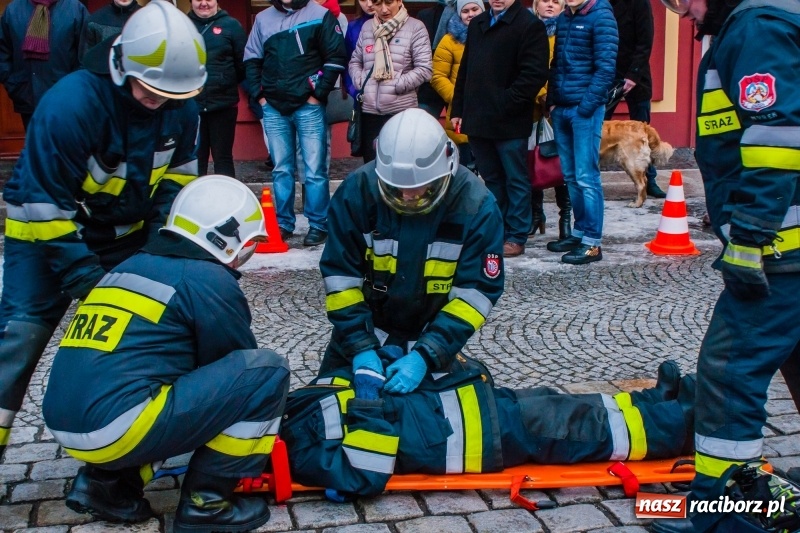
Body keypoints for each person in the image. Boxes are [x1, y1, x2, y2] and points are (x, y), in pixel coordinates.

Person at [0, 1, 206, 462]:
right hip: (42, 239)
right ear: (122, 66)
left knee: (151, 334)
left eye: (169, 93)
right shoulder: (70, 105)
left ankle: (120, 464)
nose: (157, 100)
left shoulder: (181, 106)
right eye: (149, 88)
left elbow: (177, 181)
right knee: (18, 343)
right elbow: (43, 203)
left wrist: (159, 247)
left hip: (126, 237)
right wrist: (84, 279)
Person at [42, 176, 291, 533]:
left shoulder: (126, 267)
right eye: (247, 245)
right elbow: (238, 372)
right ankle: (207, 505)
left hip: (65, 420)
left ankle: (106, 485)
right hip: (117, 425)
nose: (242, 258)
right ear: (225, 237)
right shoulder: (207, 277)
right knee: (267, 372)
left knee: (161, 384)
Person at [651, 0, 800, 531]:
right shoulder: (768, 18)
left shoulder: (756, 28)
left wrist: (751, 237)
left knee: (728, 370)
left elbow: (776, 138)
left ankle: (723, 512)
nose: (679, 11)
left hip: (781, 247)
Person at [282, 354, 695, 497]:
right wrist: (368, 396)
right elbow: (365, 471)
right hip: (468, 436)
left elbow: (359, 380)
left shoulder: (298, 404)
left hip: (462, 403)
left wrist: (386, 358)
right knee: (572, 426)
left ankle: (651, 402)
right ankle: (678, 426)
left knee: (557, 401)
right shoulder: (300, 452)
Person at [318, 109, 504, 396]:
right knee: (326, 408)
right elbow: (341, 279)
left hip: (431, 338)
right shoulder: (358, 192)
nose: (407, 197)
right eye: (396, 188)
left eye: (420, 188)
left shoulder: (476, 207)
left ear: (445, 171)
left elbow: (474, 295)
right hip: (363, 332)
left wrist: (426, 355)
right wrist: (361, 347)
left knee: (436, 418)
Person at [451, 0, 550, 258]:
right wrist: (458, 108)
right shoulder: (479, 23)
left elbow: (534, 74)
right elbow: (466, 70)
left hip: (509, 119)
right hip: (478, 116)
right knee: (492, 178)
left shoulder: (529, 25)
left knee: (515, 178)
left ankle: (516, 234)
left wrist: (505, 102)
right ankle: (497, 229)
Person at [244, 0, 347, 247]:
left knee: (314, 169)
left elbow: (335, 57)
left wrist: (318, 95)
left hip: (308, 106)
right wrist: (260, 96)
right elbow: (251, 59)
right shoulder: (262, 19)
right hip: (274, 107)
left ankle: (318, 224)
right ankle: (283, 223)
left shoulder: (320, 15)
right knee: (281, 169)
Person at [544, 0, 617, 265]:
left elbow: (606, 69)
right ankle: (579, 234)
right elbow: (556, 64)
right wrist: (553, 101)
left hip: (584, 109)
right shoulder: (565, 18)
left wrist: (586, 107)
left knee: (587, 177)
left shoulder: (602, 17)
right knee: (571, 177)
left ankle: (592, 243)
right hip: (562, 107)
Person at [348, 0, 432, 164]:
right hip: (369, 112)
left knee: (400, 166)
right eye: (378, 4)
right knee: (372, 166)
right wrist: (361, 82)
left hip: (401, 112)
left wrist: (397, 85)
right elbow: (355, 61)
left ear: (399, 1)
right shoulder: (367, 27)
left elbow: (424, 69)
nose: (384, 9)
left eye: (389, 2)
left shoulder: (415, 27)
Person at [603, 0, 666, 200]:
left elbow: (645, 42)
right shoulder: (602, 3)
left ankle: (650, 181)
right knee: (597, 127)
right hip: (607, 75)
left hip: (637, 77)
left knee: (642, 131)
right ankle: (589, 178)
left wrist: (633, 75)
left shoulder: (640, 3)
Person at [0, 0, 87, 131]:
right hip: (27, 99)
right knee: (35, 144)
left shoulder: (76, 10)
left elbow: (86, 57)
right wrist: (14, 86)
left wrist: (73, 91)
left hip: (66, 102)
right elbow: (2, 53)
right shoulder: (13, 11)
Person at [189, 0, 247, 179]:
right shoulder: (182, 25)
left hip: (223, 104)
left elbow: (242, 65)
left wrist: (223, 81)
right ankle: (195, 197)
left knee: (223, 158)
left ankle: (226, 196)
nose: (204, 3)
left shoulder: (232, 26)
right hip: (191, 106)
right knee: (195, 159)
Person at [529, 0, 572, 241]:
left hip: (560, 108)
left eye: (556, 1)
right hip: (533, 109)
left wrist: (553, 98)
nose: (550, 5)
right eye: (545, 0)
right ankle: (536, 215)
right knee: (533, 164)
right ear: (536, 5)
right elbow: (526, 68)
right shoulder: (528, 30)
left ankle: (565, 219)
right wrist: (541, 94)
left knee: (559, 166)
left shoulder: (567, 30)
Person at [430, 0, 483, 171]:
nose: (471, 14)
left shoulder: (495, 35)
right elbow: (437, 76)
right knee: (465, 167)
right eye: (465, 11)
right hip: (461, 114)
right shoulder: (449, 40)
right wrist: (459, 97)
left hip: (489, 112)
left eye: (475, 9)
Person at [344, 0, 376, 101]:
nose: (369, 4)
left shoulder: (404, 25)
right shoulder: (353, 28)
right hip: (362, 95)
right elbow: (347, 62)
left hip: (395, 96)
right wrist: (353, 89)